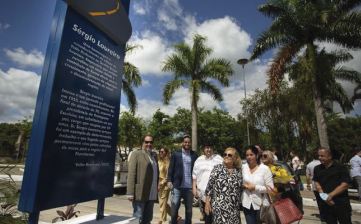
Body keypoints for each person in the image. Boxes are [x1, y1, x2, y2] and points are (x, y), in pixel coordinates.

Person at [313, 148, 352, 224]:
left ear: (330, 156)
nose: (320, 158)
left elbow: (344, 184)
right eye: (319, 156)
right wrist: (324, 196)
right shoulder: (317, 168)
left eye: (322, 156)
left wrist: (330, 196)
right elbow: (317, 183)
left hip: (340, 202)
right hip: (325, 203)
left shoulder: (340, 168)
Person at [204, 147, 243, 224]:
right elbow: (209, 188)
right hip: (219, 208)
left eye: (229, 155)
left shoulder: (238, 171)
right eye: (225, 154)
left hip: (234, 209)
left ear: (235, 158)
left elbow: (241, 188)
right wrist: (207, 203)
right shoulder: (217, 168)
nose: (226, 156)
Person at [127, 135, 158, 224]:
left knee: (148, 219)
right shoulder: (136, 154)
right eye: (146, 142)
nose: (149, 144)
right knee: (137, 218)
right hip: (140, 193)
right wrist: (130, 193)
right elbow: (132, 174)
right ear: (142, 143)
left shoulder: (154, 156)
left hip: (151, 194)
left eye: (151, 142)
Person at [167, 136, 198, 224]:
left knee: (189, 209)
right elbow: (171, 168)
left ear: (190, 143)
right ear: (182, 143)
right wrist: (169, 180)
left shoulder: (194, 154)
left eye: (188, 142)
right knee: (174, 207)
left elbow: (197, 169)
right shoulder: (176, 154)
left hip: (189, 187)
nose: (187, 144)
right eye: (185, 142)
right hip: (177, 186)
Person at [242, 146, 274, 224]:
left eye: (251, 155)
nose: (249, 157)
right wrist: (243, 186)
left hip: (261, 205)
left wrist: (255, 187)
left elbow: (270, 188)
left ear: (256, 155)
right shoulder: (243, 167)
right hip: (247, 203)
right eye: (247, 155)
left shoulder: (264, 169)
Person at [192, 143, 223, 224]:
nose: (208, 150)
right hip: (203, 194)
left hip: (216, 194)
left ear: (213, 148)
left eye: (210, 148)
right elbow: (194, 176)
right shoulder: (199, 160)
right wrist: (194, 188)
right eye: (207, 148)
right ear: (203, 149)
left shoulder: (219, 159)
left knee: (216, 217)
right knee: (207, 217)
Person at [306, 152, 325, 222]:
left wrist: (308, 184)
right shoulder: (322, 164)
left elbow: (307, 176)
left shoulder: (309, 165)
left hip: (315, 185)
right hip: (323, 185)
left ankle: (322, 217)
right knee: (325, 200)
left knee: (319, 202)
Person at [157, 147, 171, 224]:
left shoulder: (168, 163)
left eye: (162, 152)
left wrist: (161, 183)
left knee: (162, 202)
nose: (160, 153)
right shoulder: (159, 161)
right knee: (163, 202)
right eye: (159, 152)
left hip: (164, 185)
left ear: (166, 153)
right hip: (158, 184)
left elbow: (168, 177)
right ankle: (175, 215)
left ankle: (161, 220)